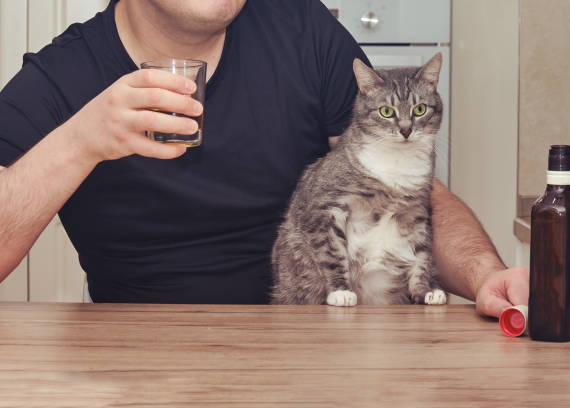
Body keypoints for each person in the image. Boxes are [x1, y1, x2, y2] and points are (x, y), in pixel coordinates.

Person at [0, 0, 527, 316]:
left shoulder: (303, 30)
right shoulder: (61, 76)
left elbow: (404, 188)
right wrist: (80, 140)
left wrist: (485, 276)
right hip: (139, 352)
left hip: (310, 335)